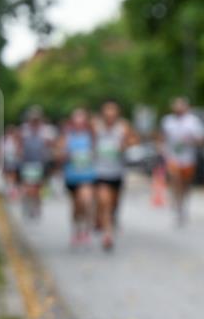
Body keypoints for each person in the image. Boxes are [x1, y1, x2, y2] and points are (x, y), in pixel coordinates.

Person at [93, 100, 137, 251]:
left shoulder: (123, 127)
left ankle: (109, 222)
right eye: (107, 114)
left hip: (117, 172)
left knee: (113, 205)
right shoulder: (95, 127)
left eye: (113, 114)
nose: (110, 117)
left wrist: (124, 145)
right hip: (99, 172)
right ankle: (108, 234)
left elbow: (133, 140)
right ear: (103, 115)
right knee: (104, 201)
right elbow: (87, 142)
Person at [159, 97, 204, 226]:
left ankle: (183, 205)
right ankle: (176, 204)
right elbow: (162, 137)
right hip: (173, 158)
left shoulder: (193, 122)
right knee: (176, 180)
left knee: (185, 185)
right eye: (176, 105)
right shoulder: (168, 121)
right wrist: (161, 150)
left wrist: (192, 141)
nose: (178, 108)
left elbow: (201, 140)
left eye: (181, 106)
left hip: (188, 159)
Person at [57, 108, 97, 247]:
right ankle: (76, 230)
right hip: (72, 176)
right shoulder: (67, 136)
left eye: (82, 120)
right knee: (76, 206)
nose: (79, 123)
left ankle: (86, 229)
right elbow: (59, 155)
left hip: (87, 176)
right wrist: (66, 154)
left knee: (86, 200)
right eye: (76, 120)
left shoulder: (92, 136)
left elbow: (99, 152)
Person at [17, 106, 54, 220]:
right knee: (28, 187)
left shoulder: (46, 130)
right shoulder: (24, 130)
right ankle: (28, 204)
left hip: (40, 163)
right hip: (27, 163)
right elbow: (19, 145)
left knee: (37, 188)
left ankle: (37, 205)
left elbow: (51, 145)